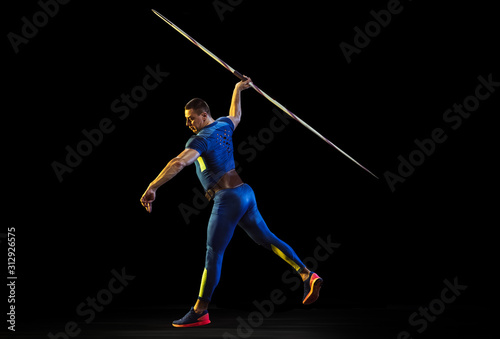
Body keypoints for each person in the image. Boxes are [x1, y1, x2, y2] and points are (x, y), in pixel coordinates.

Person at [140, 77, 323, 328]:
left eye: (191, 118)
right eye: (186, 119)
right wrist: (238, 89)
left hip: (227, 199)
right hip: (245, 194)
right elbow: (236, 115)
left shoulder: (200, 139)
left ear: (204, 115)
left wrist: (153, 187)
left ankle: (200, 310)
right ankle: (306, 274)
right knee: (267, 239)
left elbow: (178, 162)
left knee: (213, 253)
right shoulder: (225, 125)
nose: (187, 123)